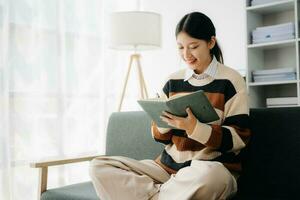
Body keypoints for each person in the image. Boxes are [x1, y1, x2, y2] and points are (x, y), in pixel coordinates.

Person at [89, 11, 251, 200]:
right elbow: (160, 137)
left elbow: (239, 138)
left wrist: (195, 128)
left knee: (212, 177)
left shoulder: (232, 81)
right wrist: (163, 123)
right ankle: (169, 195)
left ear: (211, 43)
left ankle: (156, 194)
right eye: (180, 47)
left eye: (193, 47)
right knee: (99, 167)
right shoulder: (172, 81)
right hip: (167, 169)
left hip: (209, 169)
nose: (186, 54)